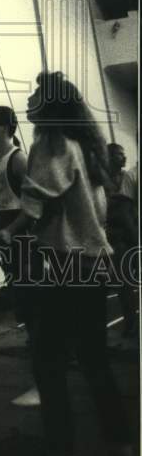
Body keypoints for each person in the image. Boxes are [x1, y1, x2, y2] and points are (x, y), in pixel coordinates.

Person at [0, 72, 133, 456]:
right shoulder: (85, 145)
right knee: (95, 362)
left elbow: (37, 201)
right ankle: (123, 448)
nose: (30, 99)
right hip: (92, 264)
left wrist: (9, 233)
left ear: (51, 103)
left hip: (63, 264)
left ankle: (62, 452)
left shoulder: (52, 142)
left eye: (37, 94)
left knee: (48, 363)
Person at [0, 105, 39, 407]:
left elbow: (34, 205)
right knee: (22, 304)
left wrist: (13, 231)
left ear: (5, 127)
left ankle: (43, 382)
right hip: (4, 234)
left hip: (21, 239)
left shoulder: (18, 160)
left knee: (31, 309)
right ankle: (40, 376)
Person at [105, 142, 138, 338]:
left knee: (126, 284)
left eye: (124, 154)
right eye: (119, 155)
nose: (123, 158)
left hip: (124, 235)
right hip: (111, 236)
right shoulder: (102, 180)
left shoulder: (127, 177)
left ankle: (130, 324)